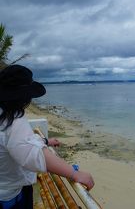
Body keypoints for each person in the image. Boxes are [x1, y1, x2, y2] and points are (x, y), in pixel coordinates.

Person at [0, 65, 94, 209]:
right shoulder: (12, 119)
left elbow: (12, 143)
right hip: (8, 196)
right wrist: (74, 173)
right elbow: (32, 154)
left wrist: (45, 141)